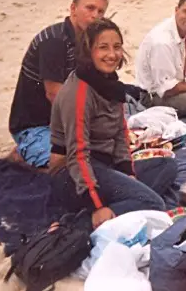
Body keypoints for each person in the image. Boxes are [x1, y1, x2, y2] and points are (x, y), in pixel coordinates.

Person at [51, 19, 165, 229]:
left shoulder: (109, 83)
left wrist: (127, 172)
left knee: (166, 166)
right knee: (153, 203)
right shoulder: (79, 92)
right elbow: (77, 154)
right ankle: (80, 222)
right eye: (103, 48)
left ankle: (122, 202)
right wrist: (96, 205)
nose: (112, 55)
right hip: (76, 174)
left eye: (117, 47)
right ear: (88, 51)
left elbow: (121, 132)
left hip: (106, 163)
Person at [8, 0, 109, 169]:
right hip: (36, 125)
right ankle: (24, 153)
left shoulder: (87, 41)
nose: (95, 15)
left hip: (63, 121)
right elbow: (54, 94)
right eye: (90, 8)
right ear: (73, 9)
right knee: (72, 169)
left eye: (100, 11)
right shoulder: (54, 41)